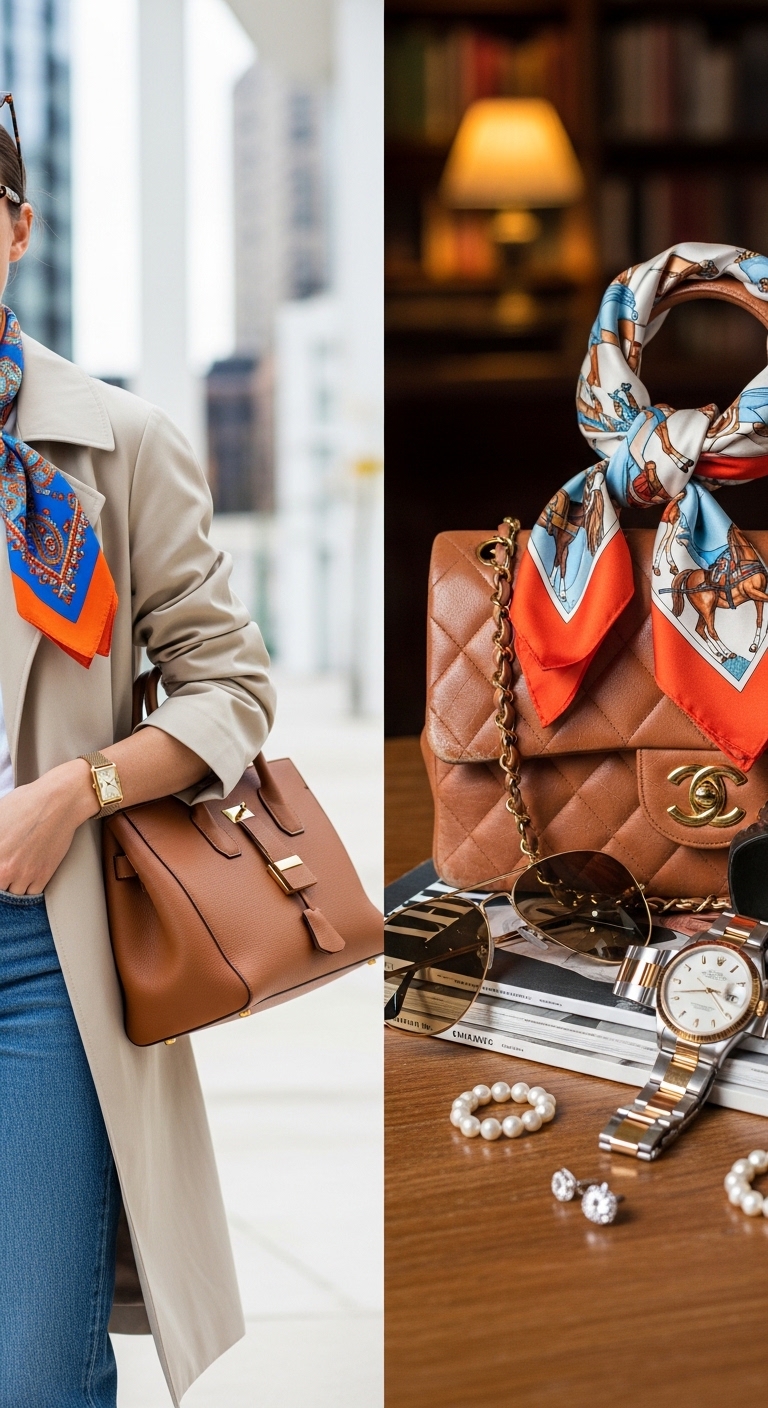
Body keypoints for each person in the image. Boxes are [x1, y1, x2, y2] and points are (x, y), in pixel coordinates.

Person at [0, 100, 275, 1407]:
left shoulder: (118, 446)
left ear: (16, 229)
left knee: (37, 1366)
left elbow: (230, 688)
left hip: (37, 955)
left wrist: (80, 788)